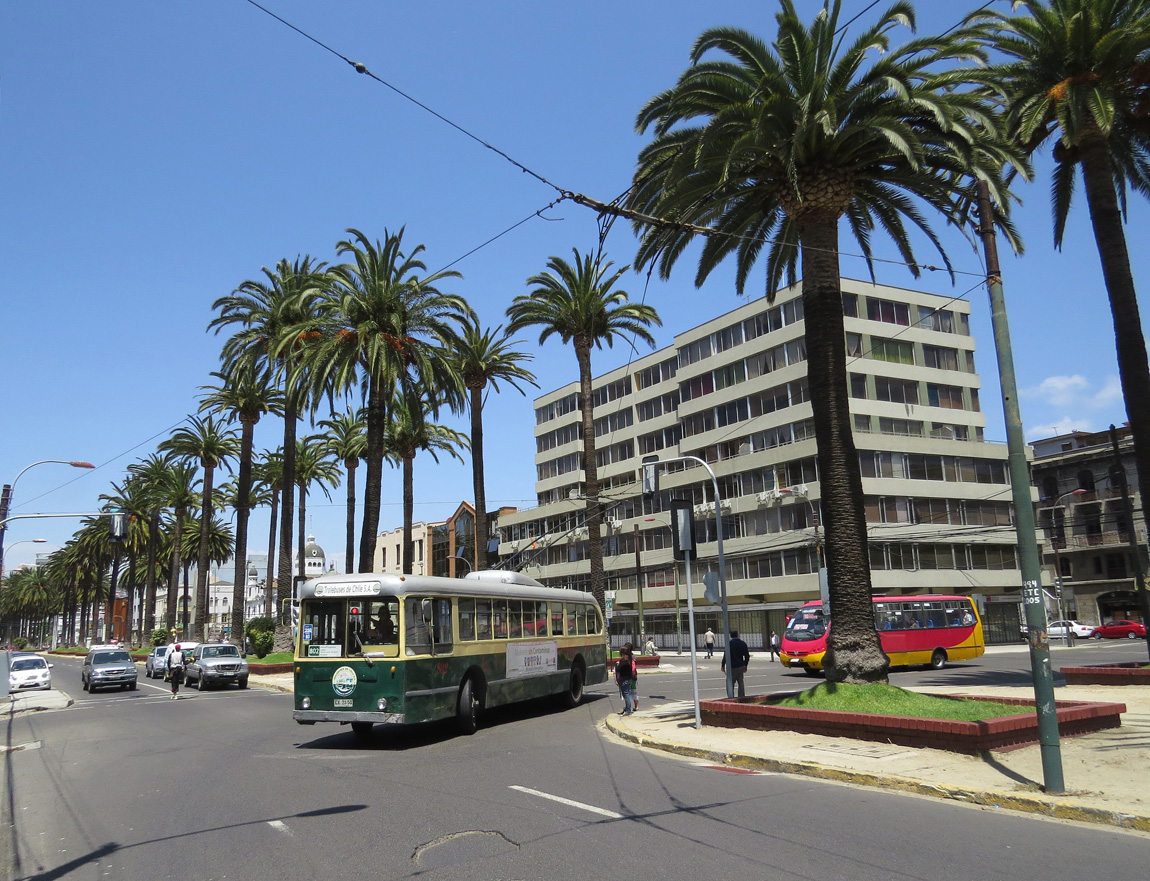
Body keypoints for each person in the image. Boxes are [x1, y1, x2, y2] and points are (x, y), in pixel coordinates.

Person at [720, 630, 750, 699]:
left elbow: (726, 655)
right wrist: (745, 665)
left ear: (731, 635)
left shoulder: (729, 644)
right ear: (737, 635)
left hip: (731, 666)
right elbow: (747, 656)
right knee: (740, 682)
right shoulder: (742, 643)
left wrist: (723, 665)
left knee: (730, 683)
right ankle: (741, 697)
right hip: (740, 665)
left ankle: (731, 697)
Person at [614, 644, 636, 715]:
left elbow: (618, 669)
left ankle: (628, 710)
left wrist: (617, 664)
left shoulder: (623, 661)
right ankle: (627, 708)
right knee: (627, 694)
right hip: (628, 678)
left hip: (624, 679)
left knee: (626, 694)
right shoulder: (629, 660)